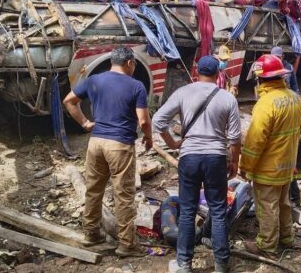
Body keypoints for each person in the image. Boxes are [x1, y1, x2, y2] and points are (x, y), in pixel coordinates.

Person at [153, 55, 242, 273]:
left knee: (187, 210)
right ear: (218, 74)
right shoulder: (227, 98)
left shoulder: (183, 92)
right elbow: (235, 138)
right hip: (216, 158)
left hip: (190, 157)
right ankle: (221, 264)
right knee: (218, 210)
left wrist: (173, 143)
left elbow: (158, 121)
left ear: (196, 72)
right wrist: (234, 163)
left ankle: (184, 264)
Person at [63, 46, 152, 257]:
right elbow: (143, 120)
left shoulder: (94, 80)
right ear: (129, 63)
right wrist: (148, 137)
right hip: (119, 145)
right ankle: (126, 244)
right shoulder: (136, 86)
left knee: (94, 189)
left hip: (96, 143)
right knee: (123, 194)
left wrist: (85, 122)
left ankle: (91, 234)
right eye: (134, 65)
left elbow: (69, 101)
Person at [239, 54, 301, 259]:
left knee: (267, 207)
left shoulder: (266, 104)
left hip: (268, 168)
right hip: (287, 165)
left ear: (260, 79)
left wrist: (245, 166)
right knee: (284, 203)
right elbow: (300, 133)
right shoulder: (295, 98)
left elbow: (254, 141)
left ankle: (266, 246)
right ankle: (287, 239)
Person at [269, 46, 301, 205]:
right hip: (289, 147)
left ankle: (293, 198)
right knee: (289, 170)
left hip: (285, 149)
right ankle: (292, 199)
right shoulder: (291, 104)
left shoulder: (288, 70)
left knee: (288, 171)